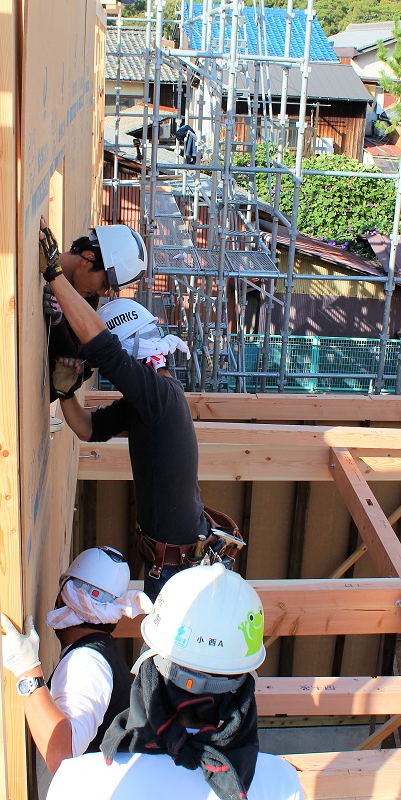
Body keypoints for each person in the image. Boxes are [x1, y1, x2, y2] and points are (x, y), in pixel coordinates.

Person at [20, 564, 308, 800]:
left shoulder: (79, 784)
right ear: (244, 682)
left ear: (150, 666)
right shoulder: (278, 786)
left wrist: (26, 675)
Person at [40, 219, 244, 600]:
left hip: (178, 568)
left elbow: (107, 353)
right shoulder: (149, 402)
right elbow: (88, 428)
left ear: (131, 347)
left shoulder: (160, 395)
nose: (108, 373)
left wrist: (54, 275)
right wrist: (65, 393)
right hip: (172, 562)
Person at [1, 548, 150, 800]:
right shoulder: (98, 655)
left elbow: (62, 754)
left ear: (65, 594)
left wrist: (26, 671)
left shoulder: (88, 663)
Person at [42, 221, 147, 402]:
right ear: (87, 258)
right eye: (104, 284)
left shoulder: (88, 300)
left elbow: (76, 355)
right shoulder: (38, 254)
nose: (101, 293)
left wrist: (58, 322)